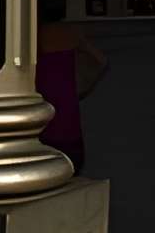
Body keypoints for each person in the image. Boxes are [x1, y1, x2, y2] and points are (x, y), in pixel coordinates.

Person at [36, 13, 111, 171]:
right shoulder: (70, 32)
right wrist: (84, 86)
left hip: (44, 109)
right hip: (67, 105)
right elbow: (101, 60)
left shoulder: (35, 34)